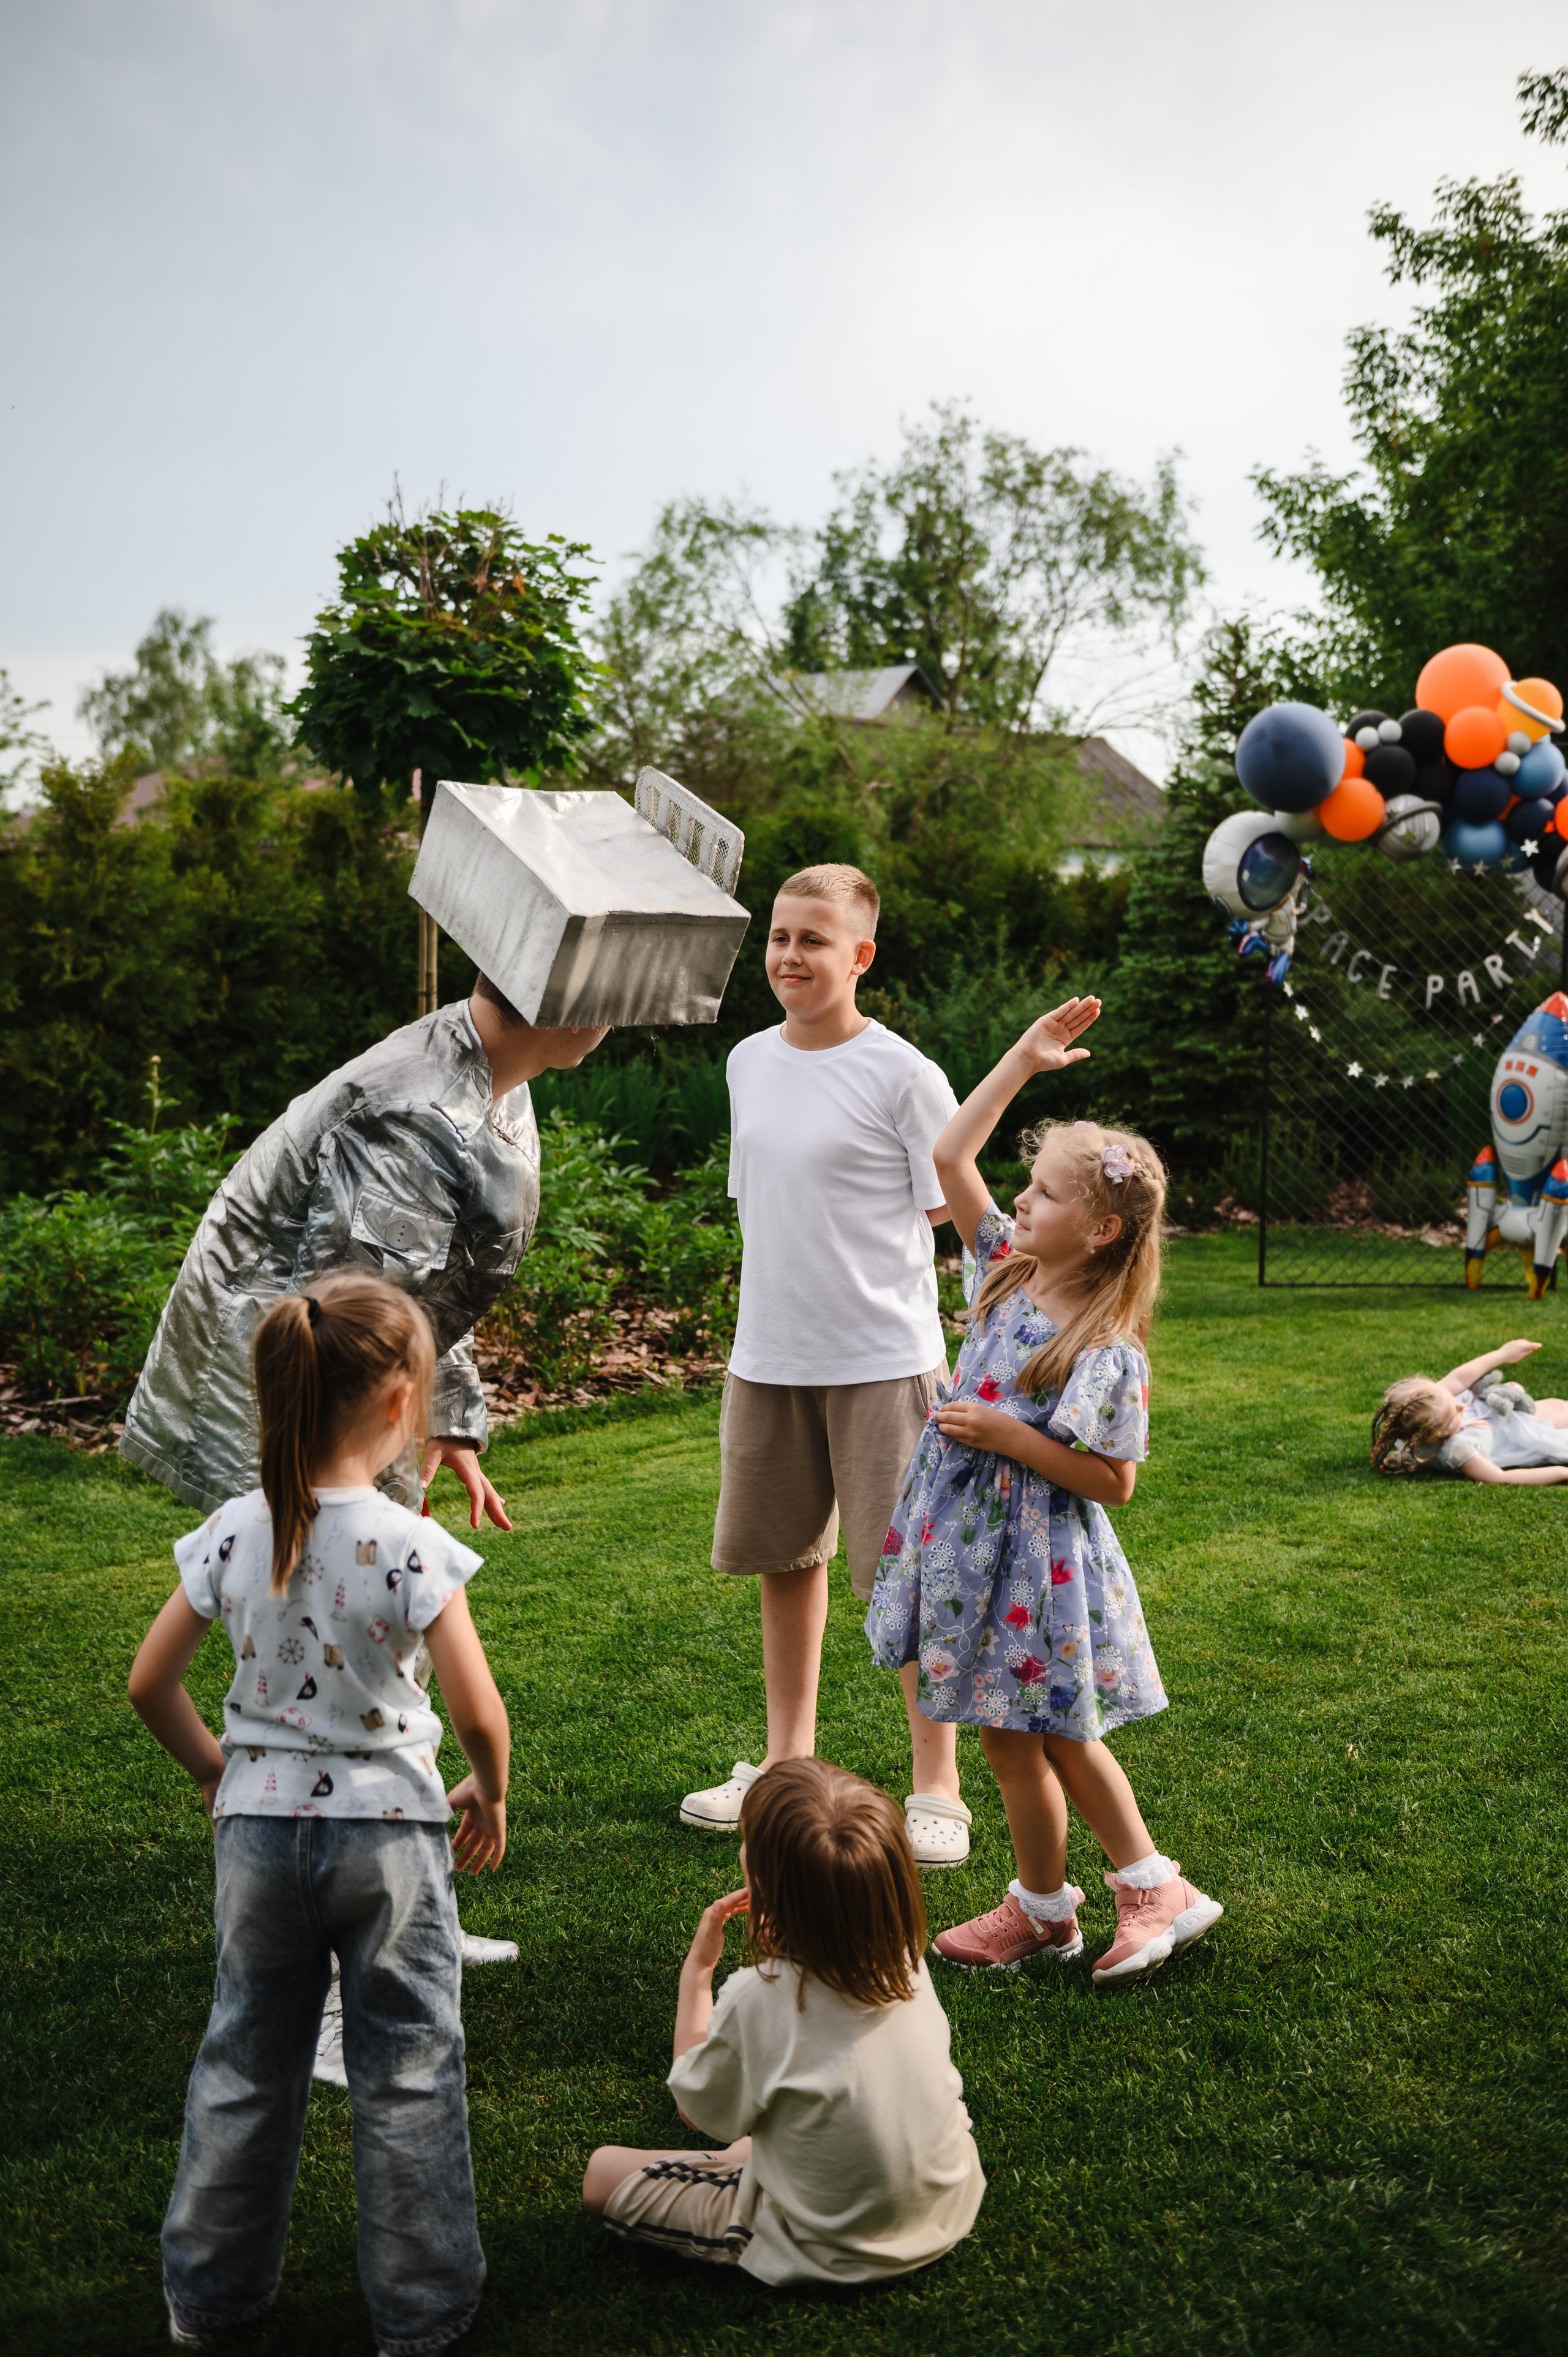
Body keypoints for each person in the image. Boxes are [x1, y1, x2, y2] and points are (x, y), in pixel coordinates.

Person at [128, 1272, 509, 2356]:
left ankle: (209, 2298)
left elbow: (149, 1683)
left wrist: (217, 1772)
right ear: (399, 1404)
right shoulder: (410, 1544)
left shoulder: (233, 1531)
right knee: (409, 2069)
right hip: (390, 1837)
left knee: (245, 2060)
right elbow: (480, 1714)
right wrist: (490, 1790)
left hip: (258, 1834)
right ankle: (422, 2315)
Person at [865, 1000, 1223, 1986]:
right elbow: (950, 1154)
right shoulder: (1005, 1272)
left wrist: (1012, 1437)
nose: (1019, 1201)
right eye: (1024, 1185)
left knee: (1060, 1732)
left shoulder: (1103, 1346)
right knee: (1004, 1738)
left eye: (1045, 1193)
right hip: (971, 1552)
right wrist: (1023, 1059)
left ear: (1101, 1229)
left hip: (1039, 1567)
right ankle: (1042, 1908)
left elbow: (1115, 1481)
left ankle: (1155, 1886)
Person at [681, 865, 971, 1867]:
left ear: (860, 955)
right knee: (785, 1561)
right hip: (769, 1357)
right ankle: (784, 1764)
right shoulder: (749, 1062)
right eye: (779, 936)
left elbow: (952, 1211)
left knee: (906, 1575)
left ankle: (937, 1786)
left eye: (814, 938)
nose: (790, 955)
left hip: (883, 1360)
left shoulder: (904, 1075)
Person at [583, 1757, 985, 2284]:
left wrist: (698, 1974)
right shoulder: (906, 1959)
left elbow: (695, 2108)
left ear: (767, 1886)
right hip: (949, 2202)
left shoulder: (760, 1996)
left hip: (825, 2243)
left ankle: (764, 2201)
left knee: (602, 2173)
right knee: (758, 2137)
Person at [1371, 1338, 1568, 1480]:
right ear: (1434, 1438)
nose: (1461, 1405)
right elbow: (1500, 1477)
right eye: (1454, 1414)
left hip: (1499, 1417)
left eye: (1453, 1401)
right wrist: (1562, 1473)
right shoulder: (1459, 1451)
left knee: (1557, 1404)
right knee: (1558, 1422)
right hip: (1514, 1436)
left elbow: (1459, 1378)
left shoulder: (1423, 1408)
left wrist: (1503, 1354)